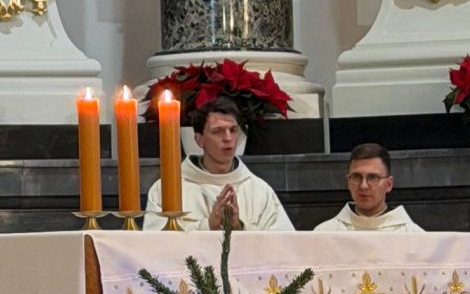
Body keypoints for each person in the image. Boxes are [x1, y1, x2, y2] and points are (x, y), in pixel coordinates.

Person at [144, 97, 292, 232]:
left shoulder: (259, 190)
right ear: (199, 140)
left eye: (233, 130)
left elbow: (283, 244)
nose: (228, 138)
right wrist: (208, 226)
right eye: (217, 131)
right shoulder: (165, 190)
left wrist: (239, 227)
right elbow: (155, 244)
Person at [318, 143, 421, 235]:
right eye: (356, 177)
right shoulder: (324, 234)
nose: (363, 186)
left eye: (373, 177)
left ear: (388, 184)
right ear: (348, 182)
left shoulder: (413, 236)